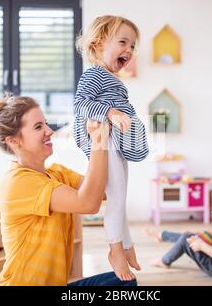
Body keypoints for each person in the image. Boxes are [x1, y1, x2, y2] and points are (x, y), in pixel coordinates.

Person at [0, 94, 136, 286]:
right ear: (13, 141)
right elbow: (88, 204)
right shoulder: (16, 182)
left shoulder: (57, 173)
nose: (49, 131)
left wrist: (111, 140)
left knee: (124, 284)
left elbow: (102, 192)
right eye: (38, 127)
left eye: (46, 123)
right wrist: (98, 142)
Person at [74, 15, 149, 281]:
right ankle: (115, 250)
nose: (129, 50)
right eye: (123, 42)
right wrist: (111, 112)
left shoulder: (111, 78)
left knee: (120, 196)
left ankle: (126, 246)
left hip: (113, 140)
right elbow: (80, 104)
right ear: (98, 43)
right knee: (116, 197)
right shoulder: (93, 74)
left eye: (132, 46)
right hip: (101, 139)